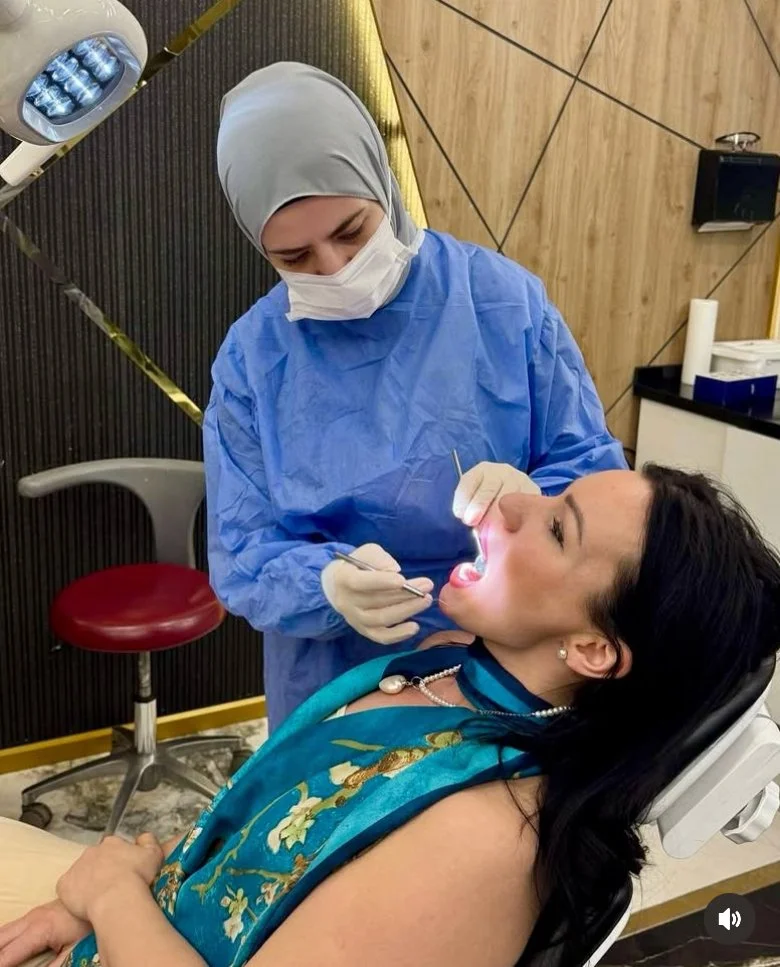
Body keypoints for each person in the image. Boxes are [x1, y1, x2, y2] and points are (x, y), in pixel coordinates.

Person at [1, 466, 778, 967]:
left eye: (554, 524)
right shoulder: (440, 664)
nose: (507, 502)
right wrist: (124, 903)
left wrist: (113, 896)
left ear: (593, 648)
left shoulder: (481, 836)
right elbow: (283, 847)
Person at [204, 62, 627, 728]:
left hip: (508, 651)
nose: (335, 269)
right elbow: (245, 549)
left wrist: (533, 495)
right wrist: (325, 583)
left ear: (383, 181)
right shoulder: (252, 361)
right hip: (338, 665)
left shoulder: (502, 304)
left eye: (351, 232)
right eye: (295, 258)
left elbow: (600, 482)